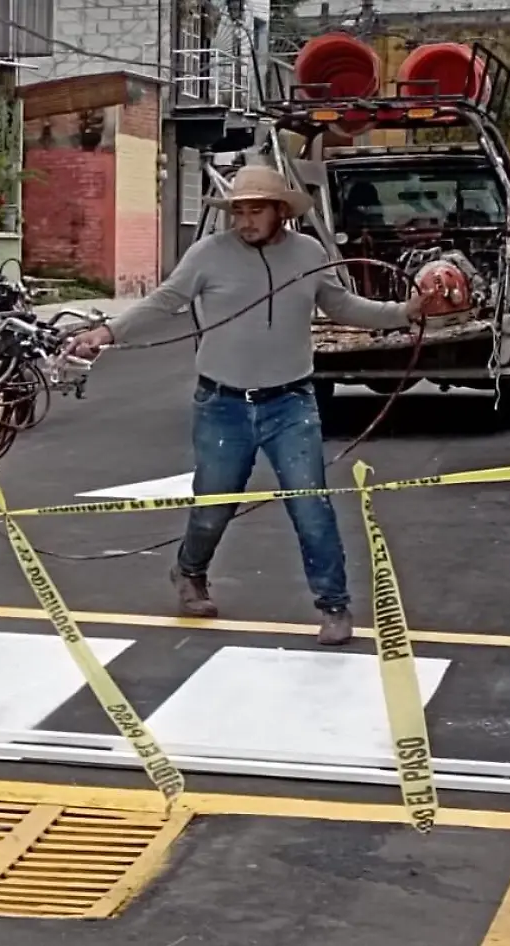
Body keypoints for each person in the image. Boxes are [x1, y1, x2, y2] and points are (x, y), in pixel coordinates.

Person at [66, 164, 428, 646]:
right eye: (238, 211)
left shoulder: (309, 253)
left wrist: (402, 313)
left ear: (281, 211)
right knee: (214, 505)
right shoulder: (208, 255)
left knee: (311, 506)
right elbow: (165, 299)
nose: (245, 220)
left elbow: (341, 305)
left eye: (255, 210)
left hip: (291, 404)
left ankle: (334, 606)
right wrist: (106, 333)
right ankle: (189, 573)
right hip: (223, 404)